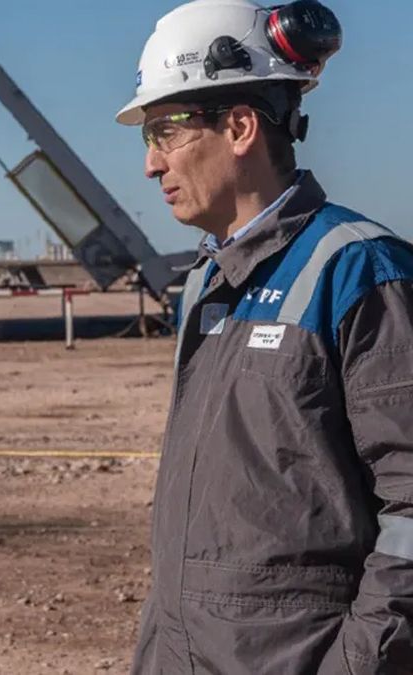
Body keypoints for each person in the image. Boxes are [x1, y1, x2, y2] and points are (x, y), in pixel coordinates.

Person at [116, 1, 413, 672]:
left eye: (165, 132)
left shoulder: (359, 268)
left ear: (241, 126)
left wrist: (357, 662)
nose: (151, 165)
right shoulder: (205, 284)